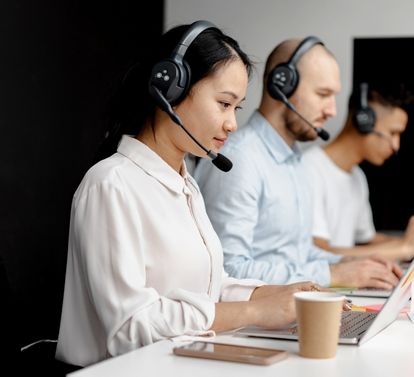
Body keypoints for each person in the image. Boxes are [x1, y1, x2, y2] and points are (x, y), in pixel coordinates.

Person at [56, 21, 322, 367]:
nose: (232, 124)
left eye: (236, 108)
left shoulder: (185, 182)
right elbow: (129, 328)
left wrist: (272, 294)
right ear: (170, 87)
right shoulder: (111, 184)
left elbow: (204, 288)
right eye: (224, 104)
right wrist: (256, 310)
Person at [194, 37, 402, 289]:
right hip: (249, 324)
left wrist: (353, 264)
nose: (332, 111)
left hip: (291, 312)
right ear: (282, 84)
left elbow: (300, 255)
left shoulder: (295, 161)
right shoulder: (240, 160)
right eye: (323, 94)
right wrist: (332, 275)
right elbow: (227, 270)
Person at [302, 82, 414, 261]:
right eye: (393, 133)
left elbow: (367, 241)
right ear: (363, 121)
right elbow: (319, 253)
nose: (396, 146)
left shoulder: (357, 176)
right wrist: (404, 249)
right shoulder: (309, 169)